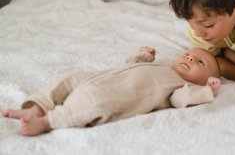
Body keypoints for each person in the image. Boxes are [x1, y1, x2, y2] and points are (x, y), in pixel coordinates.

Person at [3, 46, 221, 136]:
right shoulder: (163, 67)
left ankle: (46, 122)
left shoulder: (179, 86)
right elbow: (128, 65)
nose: (190, 58)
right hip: (101, 77)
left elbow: (181, 100)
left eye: (199, 63)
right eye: (188, 55)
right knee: (67, 80)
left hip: (113, 95)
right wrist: (143, 57)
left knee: (90, 104)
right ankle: (37, 107)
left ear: (203, 81)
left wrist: (206, 93)